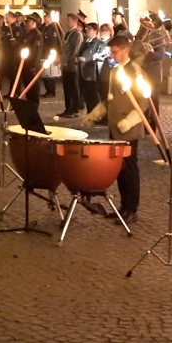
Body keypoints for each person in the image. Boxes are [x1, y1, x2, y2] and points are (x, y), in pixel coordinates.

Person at [81, 32, 149, 224]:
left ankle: (131, 208)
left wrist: (129, 121)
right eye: (110, 51)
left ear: (125, 50)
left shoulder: (136, 73)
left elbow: (143, 103)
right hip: (115, 128)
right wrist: (94, 114)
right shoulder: (114, 72)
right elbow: (110, 100)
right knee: (120, 168)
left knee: (130, 169)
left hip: (129, 128)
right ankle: (123, 207)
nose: (111, 55)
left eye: (114, 51)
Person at [78, 21, 104, 113]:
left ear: (95, 31)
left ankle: (95, 113)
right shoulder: (85, 42)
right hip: (83, 71)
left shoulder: (98, 43)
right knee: (86, 95)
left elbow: (94, 55)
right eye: (87, 29)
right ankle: (89, 112)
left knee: (93, 95)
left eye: (89, 29)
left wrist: (86, 59)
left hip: (91, 73)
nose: (87, 30)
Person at [60, 12, 83, 118]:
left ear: (74, 21)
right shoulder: (68, 33)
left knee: (74, 87)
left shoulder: (77, 34)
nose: (67, 22)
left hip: (72, 66)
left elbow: (75, 51)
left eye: (69, 20)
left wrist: (64, 59)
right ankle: (68, 108)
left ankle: (75, 109)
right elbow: (65, 48)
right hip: (65, 65)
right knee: (67, 87)